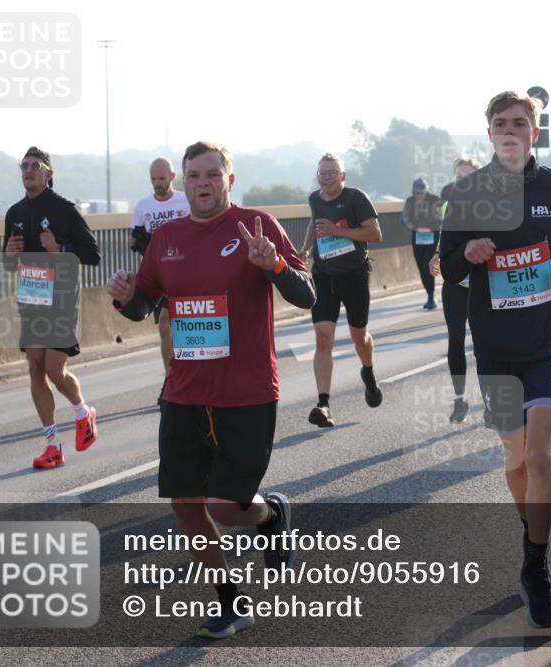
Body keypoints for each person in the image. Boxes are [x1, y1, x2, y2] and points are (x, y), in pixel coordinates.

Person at [107, 141, 316, 639]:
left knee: (225, 507)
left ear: (229, 179)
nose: (202, 183)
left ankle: (270, 515)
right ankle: (230, 601)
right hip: (183, 390)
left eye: (211, 174)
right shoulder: (168, 237)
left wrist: (276, 267)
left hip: (246, 392)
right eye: (193, 175)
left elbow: (307, 296)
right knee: (186, 504)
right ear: (182, 182)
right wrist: (125, 299)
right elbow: (144, 306)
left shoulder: (258, 226)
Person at [439, 91, 551, 629]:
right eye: (501, 123)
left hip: (550, 338)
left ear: (535, 130)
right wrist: (469, 254)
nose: (511, 130)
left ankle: (535, 566)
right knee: (514, 453)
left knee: (539, 453)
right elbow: (448, 267)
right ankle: (532, 543)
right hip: (497, 346)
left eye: (521, 123)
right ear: (489, 132)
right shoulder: (465, 193)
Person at [2, 147, 101, 469]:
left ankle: (83, 412)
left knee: (54, 370)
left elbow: (92, 254)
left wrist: (60, 249)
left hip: (61, 299)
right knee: (35, 367)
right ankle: (52, 444)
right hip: (32, 298)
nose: (28, 169)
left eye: (36, 165)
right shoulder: (14, 212)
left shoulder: (64, 210)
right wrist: (8, 253)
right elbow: (8, 265)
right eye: (25, 165)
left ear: (48, 174)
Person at [299, 154, 384, 428]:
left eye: (332, 173)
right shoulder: (314, 198)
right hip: (324, 276)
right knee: (323, 339)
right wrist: (306, 249)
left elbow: (375, 234)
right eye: (322, 173)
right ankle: (323, 404)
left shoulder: (355, 198)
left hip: (354, 275)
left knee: (359, 336)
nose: (326, 178)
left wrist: (339, 231)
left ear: (342, 176)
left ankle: (368, 374)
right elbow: (315, 222)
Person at [430, 157, 481, 423]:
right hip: (456, 284)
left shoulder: (491, 206)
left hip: (484, 284)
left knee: (486, 342)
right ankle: (460, 399)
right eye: (460, 177)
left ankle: (494, 398)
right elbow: (445, 238)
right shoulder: (450, 205)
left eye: (469, 177)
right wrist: (437, 254)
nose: (464, 182)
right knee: (456, 340)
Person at [130, 158, 190, 378]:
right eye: (153, 179)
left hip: (187, 272)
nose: (157, 183)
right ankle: (170, 379)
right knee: (165, 327)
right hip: (161, 275)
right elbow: (134, 241)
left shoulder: (186, 201)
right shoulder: (143, 206)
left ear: (173, 177)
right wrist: (142, 243)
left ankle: (187, 374)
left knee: (184, 328)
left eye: (161, 179)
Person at [402, 177, 441, 309]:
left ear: (427, 190)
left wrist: (436, 224)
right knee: (421, 267)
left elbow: (446, 214)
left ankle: (431, 296)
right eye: (417, 192)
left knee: (427, 266)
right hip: (417, 237)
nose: (419, 195)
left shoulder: (435, 199)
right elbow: (404, 217)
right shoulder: (410, 201)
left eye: (422, 192)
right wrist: (414, 226)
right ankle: (429, 294)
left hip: (433, 236)